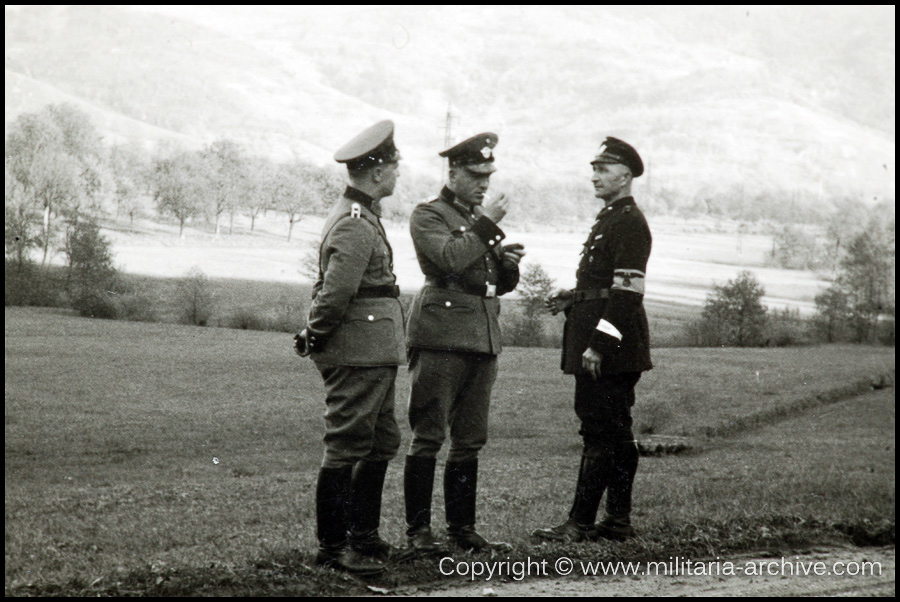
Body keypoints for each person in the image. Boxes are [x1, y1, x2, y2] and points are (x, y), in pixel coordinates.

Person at [402, 132, 526, 555]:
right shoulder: (428, 215)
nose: (483, 184)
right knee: (428, 434)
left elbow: (488, 283)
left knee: (470, 437)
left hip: (481, 336)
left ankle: (462, 529)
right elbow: (449, 260)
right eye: (475, 175)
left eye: (488, 175)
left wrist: (507, 268)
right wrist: (487, 225)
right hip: (441, 337)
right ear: (452, 173)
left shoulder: (476, 218)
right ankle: (418, 532)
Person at [294, 120, 406, 576]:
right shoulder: (356, 222)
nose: (399, 175)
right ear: (378, 173)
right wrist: (315, 336)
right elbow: (336, 294)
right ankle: (333, 549)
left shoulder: (360, 214)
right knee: (345, 447)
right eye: (396, 167)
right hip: (356, 350)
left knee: (381, 441)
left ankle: (363, 536)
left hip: (373, 349)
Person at [532, 136, 652, 543]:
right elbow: (607, 285)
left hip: (613, 347)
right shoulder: (611, 218)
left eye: (602, 169)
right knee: (614, 430)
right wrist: (575, 296)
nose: (594, 176)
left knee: (602, 428)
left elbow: (627, 293)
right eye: (594, 169)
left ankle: (580, 523)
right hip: (610, 339)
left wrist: (600, 343)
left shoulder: (629, 222)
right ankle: (617, 521)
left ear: (625, 175)